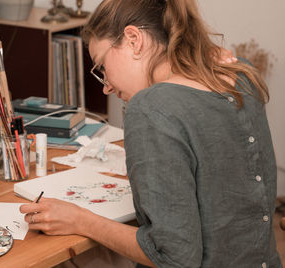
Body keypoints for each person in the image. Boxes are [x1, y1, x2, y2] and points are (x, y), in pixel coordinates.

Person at [20, 0, 281, 267]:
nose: (106, 87)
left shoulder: (151, 107)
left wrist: (80, 220)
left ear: (134, 39)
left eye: (102, 67)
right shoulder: (241, 73)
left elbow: (173, 257)